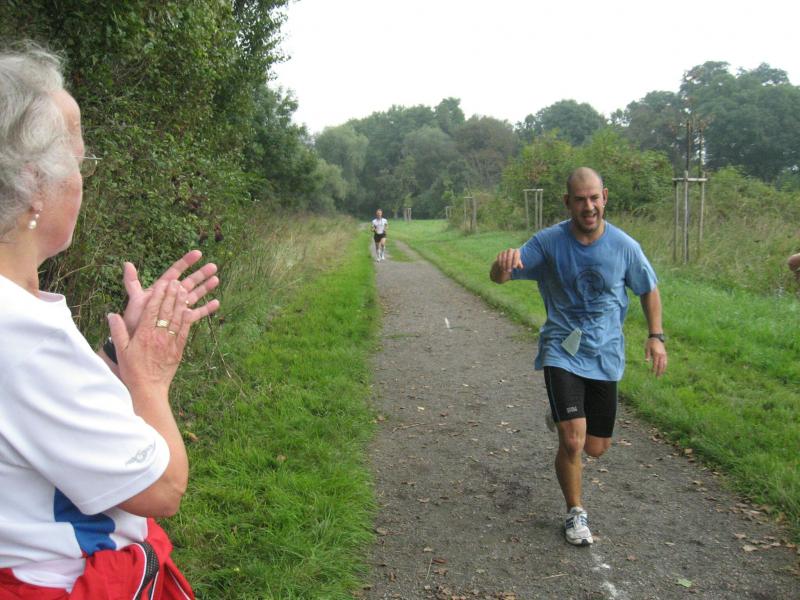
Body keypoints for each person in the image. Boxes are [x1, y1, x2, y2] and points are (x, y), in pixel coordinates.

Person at [0, 45, 220, 598]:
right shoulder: (21, 334)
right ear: (33, 185)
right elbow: (161, 488)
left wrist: (120, 353)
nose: (83, 180)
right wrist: (149, 379)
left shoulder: (16, 315)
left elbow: (38, 417)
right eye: (78, 164)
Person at [490, 167, 667, 546]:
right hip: (562, 350)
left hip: (605, 354)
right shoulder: (548, 242)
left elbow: (648, 289)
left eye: (594, 198)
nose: (589, 207)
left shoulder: (624, 246)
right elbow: (501, 277)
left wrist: (656, 336)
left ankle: (562, 415)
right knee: (572, 441)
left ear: (605, 197)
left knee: (595, 448)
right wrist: (501, 265)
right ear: (567, 202)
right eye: (580, 200)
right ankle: (575, 513)